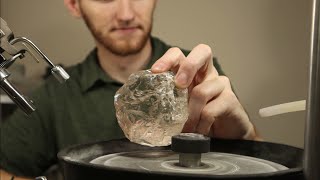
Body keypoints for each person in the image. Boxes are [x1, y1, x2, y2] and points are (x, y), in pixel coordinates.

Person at [0, 0, 261, 179]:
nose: (125, 13)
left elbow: (263, 167)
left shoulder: (200, 77)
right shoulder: (57, 95)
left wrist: (247, 140)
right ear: (74, 4)